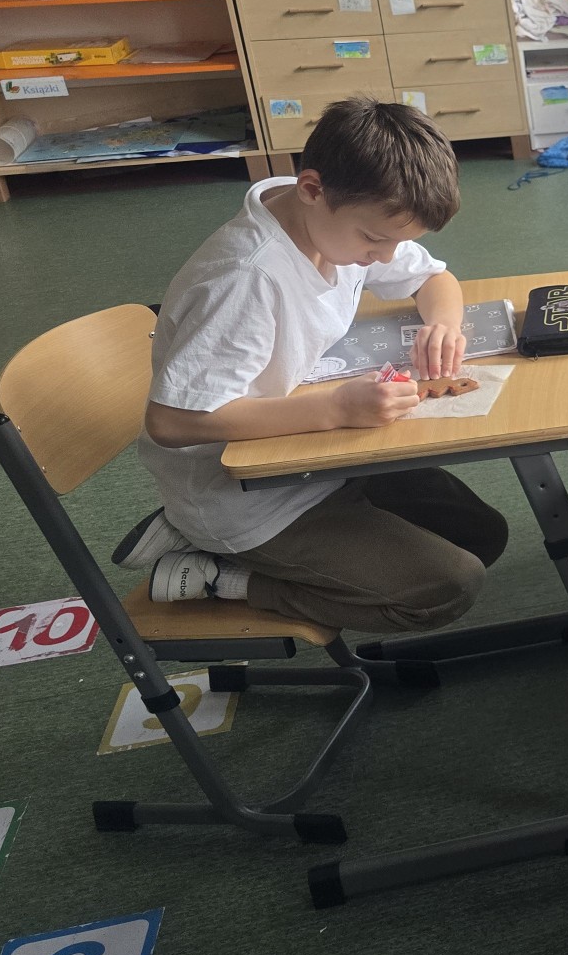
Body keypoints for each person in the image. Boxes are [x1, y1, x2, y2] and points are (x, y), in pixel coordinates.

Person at [113, 98, 507, 632]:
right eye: (376, 240)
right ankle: (222, 573)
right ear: (312, 189)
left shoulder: (329, 216)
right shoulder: (246, 279)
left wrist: (444, 324)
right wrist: (336, 409)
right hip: (245, 498)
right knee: (447, 587)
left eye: (400, 242)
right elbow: (171, 421)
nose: (386, 257)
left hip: (315, 457)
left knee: (482, 533)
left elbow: (434, 278)